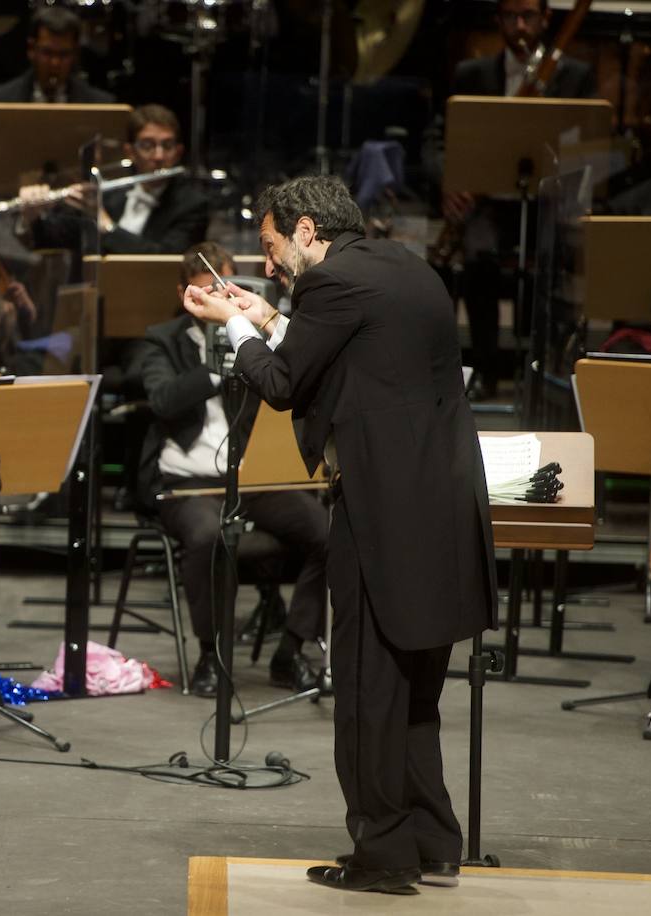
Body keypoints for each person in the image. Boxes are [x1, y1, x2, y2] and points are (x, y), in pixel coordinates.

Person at [183, 176, 496, 894]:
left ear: (304, 232)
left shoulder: (330, 285)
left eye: (269, 248)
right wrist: (268, 317)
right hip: (445, 503)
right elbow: (358, 358)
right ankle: (432, 839)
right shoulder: (404, 268)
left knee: (364, 688)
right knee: (417, 686)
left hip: (383, 512)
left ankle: (382, 856)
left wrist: (233, 330)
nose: (266, 266)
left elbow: (287, 384)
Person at [137, 242, 328, 698]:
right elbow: (162, 399)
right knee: (207, 538)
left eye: (223, 289)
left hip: (250, 478)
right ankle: (210, 655)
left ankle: (291, 651)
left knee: (328, 533)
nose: (218, 300)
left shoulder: (252, 332)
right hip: (188, 484)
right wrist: (218, 363)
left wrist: (244, 339)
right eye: (207, 293)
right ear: (189, 295)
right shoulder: (162, 339)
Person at [438, 0, 596, 399]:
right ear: (499, 20)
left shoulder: (573, 77)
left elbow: (589, 149)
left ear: (545, 20)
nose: (520, 25)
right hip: (488, 202)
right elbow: (440, 141)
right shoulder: (471, 74)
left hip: (549, 204)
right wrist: (450, 182)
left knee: (551, 259)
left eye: (528, 16)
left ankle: (542, 376)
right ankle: (487, 374)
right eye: (511, 16)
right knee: (477, 256)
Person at [21, 105, 209, 256]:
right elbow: (59, 241)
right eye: (148, 146)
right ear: (130, 152)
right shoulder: (109, 195)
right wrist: (33, 217)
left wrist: (107, 226)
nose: (159, 156)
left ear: (178, 153)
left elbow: (164, 256)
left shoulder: (193, 205)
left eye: (167, 146)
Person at [0, 5, 114, 105]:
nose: (55, 62)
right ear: (31, 49)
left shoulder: (101, 105)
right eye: (47, 53)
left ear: (75, 54)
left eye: (64, 54)